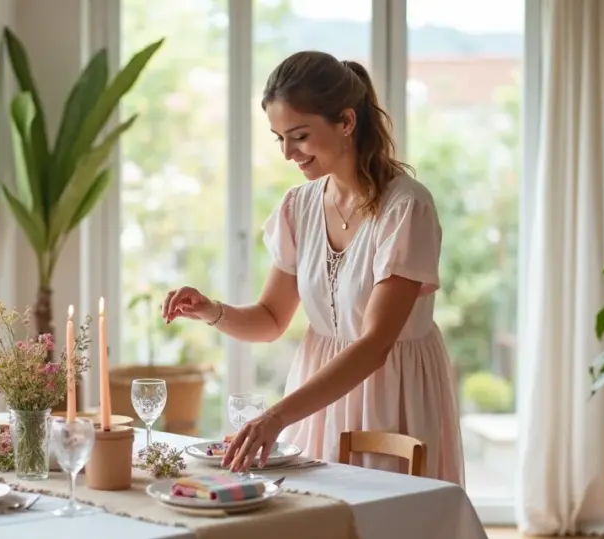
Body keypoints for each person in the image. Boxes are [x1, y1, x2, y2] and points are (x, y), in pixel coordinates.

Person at [160, 51, 464, 486]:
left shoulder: (406, 208)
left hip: (392, 394)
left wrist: (276, 417)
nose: (288, 153)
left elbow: (376, 343)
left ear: (346, 121)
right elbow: (270, 320)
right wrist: (210, 310)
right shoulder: (298, 207)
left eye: (299, 136)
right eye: (278, 138)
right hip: (316, 400)